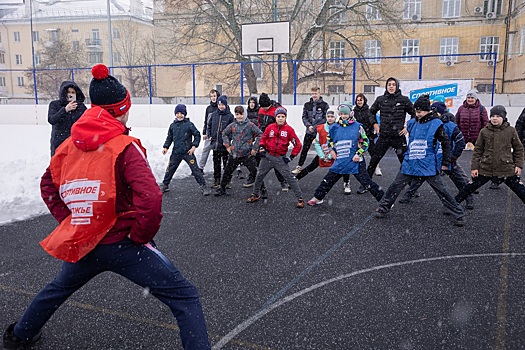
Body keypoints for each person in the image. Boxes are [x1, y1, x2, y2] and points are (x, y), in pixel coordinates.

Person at [2, 64, 210, 350]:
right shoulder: (124, 145)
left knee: (57, 289)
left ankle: (20, 335)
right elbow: (150, 199)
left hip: (86, 241)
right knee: (185, 297)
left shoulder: (69, 146)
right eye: (126, 108)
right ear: (118, 110)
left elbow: (47, 186)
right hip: (124, 244)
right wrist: (138, 237)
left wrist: (73, 220)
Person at [374, 94, 466, 227]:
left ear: (427, 110)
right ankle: (383, 207)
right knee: (396, 185)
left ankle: (458, 213)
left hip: (427, 164)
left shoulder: (436, 124)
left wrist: (446, 162)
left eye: (420, 112)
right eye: (416, 112)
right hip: (411, 162)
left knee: (441, 190)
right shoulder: (412, 123)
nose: (417, 114)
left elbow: (445, 142)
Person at [398, 101, 474, 209]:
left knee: (458, 180)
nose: (432, 114)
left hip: (446, 158)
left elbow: (460, 143)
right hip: (431, 160)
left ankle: (468, 199)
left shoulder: (450, 126)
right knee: (420, 177)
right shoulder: (428, 124)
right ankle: (408, 194)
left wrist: (453, 158)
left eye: (435, 111)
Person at [307, 104, 384, 206]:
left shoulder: (358, 127)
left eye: (345, 114)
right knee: (328, 179)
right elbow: (329, 139)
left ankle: (384, 201)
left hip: (355, 161)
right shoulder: (335, 127)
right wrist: (331, 150)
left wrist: (359, 154)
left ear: (350, 114)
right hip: (340, 160)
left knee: (367, 182)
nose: (343, 116)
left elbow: (366, 142)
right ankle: (318, 197)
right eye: (341, 114)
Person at [456, 105, 525, 204]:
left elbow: (519, 148)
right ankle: (453, 205)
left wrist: (518, 165)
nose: (495, 118)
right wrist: (474, 167)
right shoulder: (484, 131)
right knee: (468, 188)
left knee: (520, 190)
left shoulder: (511, 131)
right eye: (492, 116)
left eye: (498, 116)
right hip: (486, 168)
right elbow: (478, 151)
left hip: (506, 168)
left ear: (504, 117)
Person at [247, 107, 305, 208]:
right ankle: (255, 194)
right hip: (267, 157)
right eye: (278, 116)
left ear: (285, 117)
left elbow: (298, 145)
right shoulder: (270, 127)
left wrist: (291, 157)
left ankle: (300, 198)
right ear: (275, 117)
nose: (280, 118)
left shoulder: (289, 130)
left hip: (280, 159)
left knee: (290, 178)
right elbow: (263, 139)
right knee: (259, 175)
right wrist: (261, 147)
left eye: (283, 116)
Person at [367, 77, 415, 178]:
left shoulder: (404, 100)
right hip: (384, 136)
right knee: (374, 160)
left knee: (405, 162)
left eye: (393, 84)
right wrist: (375, 124)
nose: (391, 86)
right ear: (386, 86)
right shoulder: (381, 99)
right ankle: (366, 184)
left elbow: (414, 114)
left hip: (398, 136)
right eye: (389, 84)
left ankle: (412, 188)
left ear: (397, 86)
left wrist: (408, 127)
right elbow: (370, 112)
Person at [295, 110, 352, 194]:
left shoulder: (339, 128)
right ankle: (295, 179)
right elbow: (317, 143)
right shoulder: (321, 128)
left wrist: (330, 155)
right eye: (328, 116)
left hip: (336, 154)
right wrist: (321, 155)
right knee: (311, 166)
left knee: (344, 167)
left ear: (335, 118)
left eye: (332, 117)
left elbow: (339, 143)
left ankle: (346, 183)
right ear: (326, 117)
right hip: (323, 152)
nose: (330, 118)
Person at [160, 104, 210, 195]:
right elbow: (169, 137)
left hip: (188, 152)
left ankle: (203, 186)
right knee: (170, 169)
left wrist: (194, 146)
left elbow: (197, 135)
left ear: (185, 114)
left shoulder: (189, 125)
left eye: (181, 113)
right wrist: (166, 147)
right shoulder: (172, 126)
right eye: (177, 113)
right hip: (176, 152)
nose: (179, 115)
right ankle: (165, 185)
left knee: (195, 170)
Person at [215, 105, 262, 196]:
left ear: (245, 114)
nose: (239, 116)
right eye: (237, 114)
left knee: (255, 172)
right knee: (227, 171)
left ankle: (263, 191)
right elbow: (224, 133)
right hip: (235, 153)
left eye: (241, 114)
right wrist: (227, 146)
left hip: (247, 154)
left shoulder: (250, 125)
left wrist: (254, 148)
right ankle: (222, 189)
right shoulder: (233, 125)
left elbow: (260, 135)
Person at [293, 87, 329, 175]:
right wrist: (308, 125)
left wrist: (316, 126)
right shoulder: (307, 105)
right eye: (312, 93)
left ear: (319, 94)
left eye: (316, 93)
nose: (314, 95)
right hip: (309, 131)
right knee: (305, 149)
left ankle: (329, 164)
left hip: (320, 132)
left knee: (325, 148)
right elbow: (304, 117)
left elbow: (325, 118)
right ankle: (299, 166)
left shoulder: (325, 105)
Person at [257, 93, 288, 192]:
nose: (264, 109)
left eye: (266, 107)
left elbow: (283, 119)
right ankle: (258, 182)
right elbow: (259, 122)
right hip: (263, 137)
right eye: (263, 107)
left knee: (277, 163)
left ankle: (283, 181)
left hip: (274, 139)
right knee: (259, 160)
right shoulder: (261, 110)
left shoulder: (276, 109)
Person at [48, 81, 87, 156]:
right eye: (68, 92)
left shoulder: (81, 107)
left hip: (76, 143)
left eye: (73, 92)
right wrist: (65, 110)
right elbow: (52, 120)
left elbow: (86, 122)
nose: (70, 94)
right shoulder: (55, 105)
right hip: (59, 142)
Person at [352, 94, 381, 193]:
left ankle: (376, 167)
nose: (359, 101)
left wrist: (371, 130)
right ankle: (362, 176)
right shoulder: (354, 111)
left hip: (368, 136)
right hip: (357, 137)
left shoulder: (368, 110)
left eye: (361, 100)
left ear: (364, 100)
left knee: (374, 154)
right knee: (358, 156)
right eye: (358, 100)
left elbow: (372, 120)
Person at [207, 95, 235, 188]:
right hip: (215, 143)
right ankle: (217, 180)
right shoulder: (214, 114)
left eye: (223, 104)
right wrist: (209, 135)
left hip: (225, 144)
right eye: (219, 104)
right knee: (216, 163)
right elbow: (209, 126)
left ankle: (227, 181)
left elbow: (233, 129)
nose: (221, 106)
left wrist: (229, 139)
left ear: (226, 105)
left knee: (227, 164)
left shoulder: (230, 116)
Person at [198, 89, 221, 171]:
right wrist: (204, 132)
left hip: (219, 134)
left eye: (214, 96)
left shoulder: (221, 107)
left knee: (224, 151)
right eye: (211, 96)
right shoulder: (208, 108)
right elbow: (206, 121)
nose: (213, 98)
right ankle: (201, 167)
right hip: (210, 133)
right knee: (206, 149)